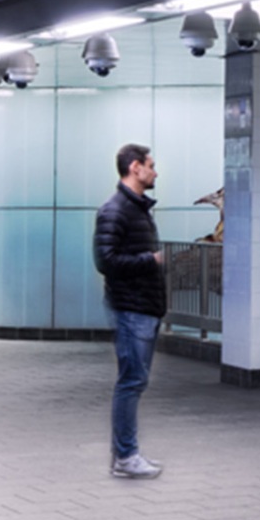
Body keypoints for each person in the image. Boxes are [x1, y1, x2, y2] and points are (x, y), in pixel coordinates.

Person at [93, 143, 168, 480]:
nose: (154, 172)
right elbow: (104, 261)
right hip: (131, 308)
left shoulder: (136, 209)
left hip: (143, 307)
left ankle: (125, 454)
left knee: (133, 381)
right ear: (135, 168)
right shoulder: (115, 210)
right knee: (131, 382)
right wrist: (148, 261)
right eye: (150, 166)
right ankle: (126, 457)